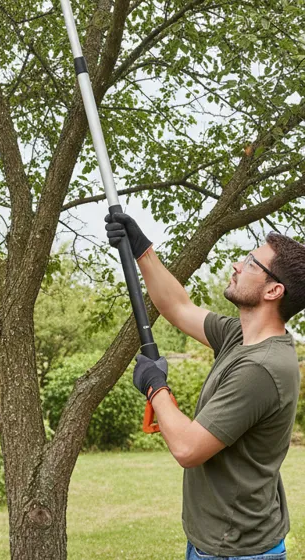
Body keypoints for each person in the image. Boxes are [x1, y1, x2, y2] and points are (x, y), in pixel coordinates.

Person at [106, 212, 302, 560]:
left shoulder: (262, 368)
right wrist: (142, 250)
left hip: (236, 552)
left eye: (252, 263)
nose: (237, 264)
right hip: (218, 543)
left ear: (274, 290)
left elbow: (187, 448)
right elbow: (177, 307)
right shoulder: (239, 338)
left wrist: (156, 387)